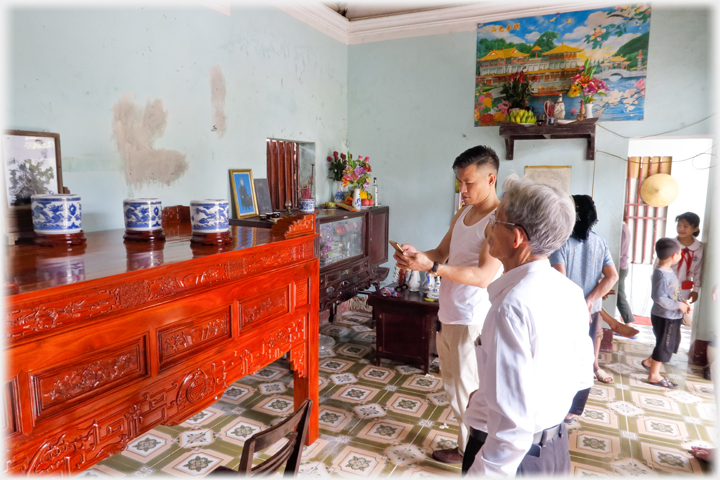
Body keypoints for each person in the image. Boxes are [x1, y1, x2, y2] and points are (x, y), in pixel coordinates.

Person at [462, 174, 594, 476]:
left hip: (511, 462)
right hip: (553, 449)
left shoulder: (511, 308)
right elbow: (581, 374)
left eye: (496, 220)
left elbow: (512, 430)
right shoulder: (569, 290)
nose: (489, 228)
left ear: (517, 238)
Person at [394, 145, 503, 464]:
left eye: (469, 182)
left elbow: (484, 276)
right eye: (460, 182)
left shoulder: (497, 222)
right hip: (451, 311)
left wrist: (431, 268)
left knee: (466, 391)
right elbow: (442, 252)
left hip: (471, 317)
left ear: (491, 178)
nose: (462, 189)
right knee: (457, 387)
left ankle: (473, 453)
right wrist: (418, 258)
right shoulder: (465, 213)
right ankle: (468, 446)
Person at [550, 195, 619, 387]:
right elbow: (612, 276)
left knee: (566, 355)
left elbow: (560, 280)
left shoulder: (559, 243)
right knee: (589, 346)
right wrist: (590, 300)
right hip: (592, 308)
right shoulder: (600, 242)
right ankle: (592, 371)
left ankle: (567, 397)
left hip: (566, 310)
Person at [640, 238, 691, 388]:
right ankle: (654, 375)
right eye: (680, 253)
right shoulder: (661, 275)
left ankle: (650, 362)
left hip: (672, 315)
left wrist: (683, 302)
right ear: (674, 256)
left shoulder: (668, 271)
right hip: (665, 317)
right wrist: (677, 305)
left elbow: (674, 292)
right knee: (664, 345)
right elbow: (659, 297)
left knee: (670, 343)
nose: (681, 255)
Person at [673, 212, 704, 324]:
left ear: (695, 229)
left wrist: (695, 290)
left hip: (684, 288)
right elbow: (658, 267)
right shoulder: (670, 244)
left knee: (678, 317)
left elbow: (698, 271)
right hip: (667, 286)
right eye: (679, 225)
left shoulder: (699, 248)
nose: (681, 229)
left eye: (685, 226)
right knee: (665, 317)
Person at [616, 213, 635, 325]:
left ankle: (629, 324)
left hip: (620, 267)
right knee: (619, 296)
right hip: (621, 266)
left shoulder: (622, 230)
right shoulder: (624, 228)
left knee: (620, 297)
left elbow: (619, 252)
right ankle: (628, 323)